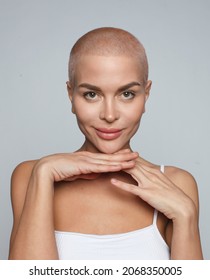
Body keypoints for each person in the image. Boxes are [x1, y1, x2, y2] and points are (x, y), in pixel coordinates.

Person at [8, 27, 203, 260]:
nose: (109, 115)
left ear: (146, 94)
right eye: (92, 94)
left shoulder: (177, 184)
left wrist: (186, 216)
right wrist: (44, 173)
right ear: (71, 95)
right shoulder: (31, 175)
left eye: (127, 94)